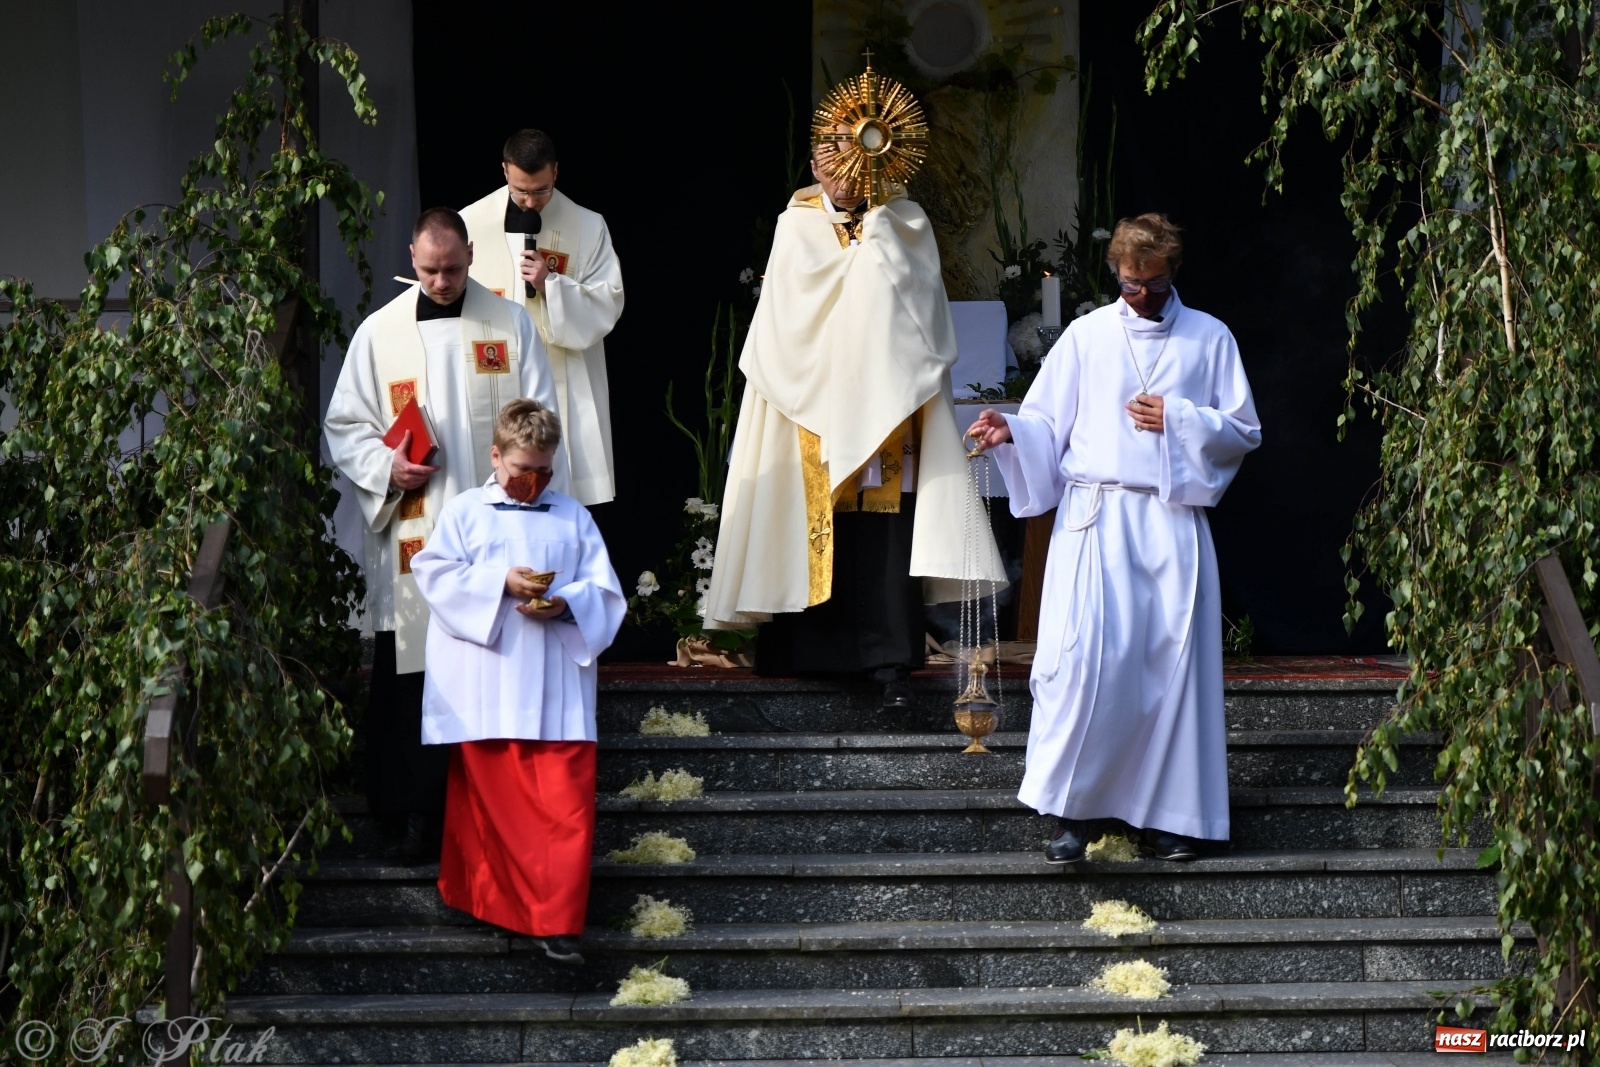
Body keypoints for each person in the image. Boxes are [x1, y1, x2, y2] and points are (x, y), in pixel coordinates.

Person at [969, 213, 1261, 862]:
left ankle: (1169, 818)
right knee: (1084, 669)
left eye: (1151, 287)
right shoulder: (1087, 336)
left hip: (1170, 520)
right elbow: (1046, 420)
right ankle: (1072, 813)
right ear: (1117, 275)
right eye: (1129, 285)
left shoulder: (1208, 338)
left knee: (1168, 670)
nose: (1140, 299)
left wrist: (1180, 418)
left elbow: (1242, 430)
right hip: (1096, 521)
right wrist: (1010, 432)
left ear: (1171, 276)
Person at [702, 131, 1006, 708]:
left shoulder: (905, 220)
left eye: (853, 163)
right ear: (814, 164)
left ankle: (887, 660)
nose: (840, 176)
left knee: (883, 535)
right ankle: (798, 651)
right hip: (807, 402)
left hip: (884, 402)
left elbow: (918, 307)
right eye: (829, 163)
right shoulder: (795, 223)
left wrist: (877, 236)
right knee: (804, 523)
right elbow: (784, 318)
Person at [325, 207, 563, 863]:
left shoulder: (509, 323)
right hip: (416, 532)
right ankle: (405, 814)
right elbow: (344, 426)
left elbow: (542, 420)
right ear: (412, 256)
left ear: (470, 256)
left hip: (494, 538)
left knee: (489, 678)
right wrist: (386, 467)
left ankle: (485, 823)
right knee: (411, 678)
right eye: (428, 269)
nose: (440, 281)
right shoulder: (380, 334)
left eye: (453, 268)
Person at [410, 399, 623, 965]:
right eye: (521, 471)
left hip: (557, 690)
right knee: (496, 811)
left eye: (543, 472)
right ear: (495, 455)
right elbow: (432, 573)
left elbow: (605, 593)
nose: (532, 483)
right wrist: (500, 583)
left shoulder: (572, 516)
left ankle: (557, 923)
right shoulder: (464, 512)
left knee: (564, 810)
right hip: (490, 687)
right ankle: (491, 904)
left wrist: (566, 605)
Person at [461, 129, 624, 505]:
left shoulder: (587, 226)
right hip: (497, 377)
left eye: (541, 190)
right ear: (504, 171)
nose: (530, 202)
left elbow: (608, 300)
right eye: (521, 191)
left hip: (563, 376)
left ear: (556, 172)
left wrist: (552, 285)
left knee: (562, 499)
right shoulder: (470, 223)